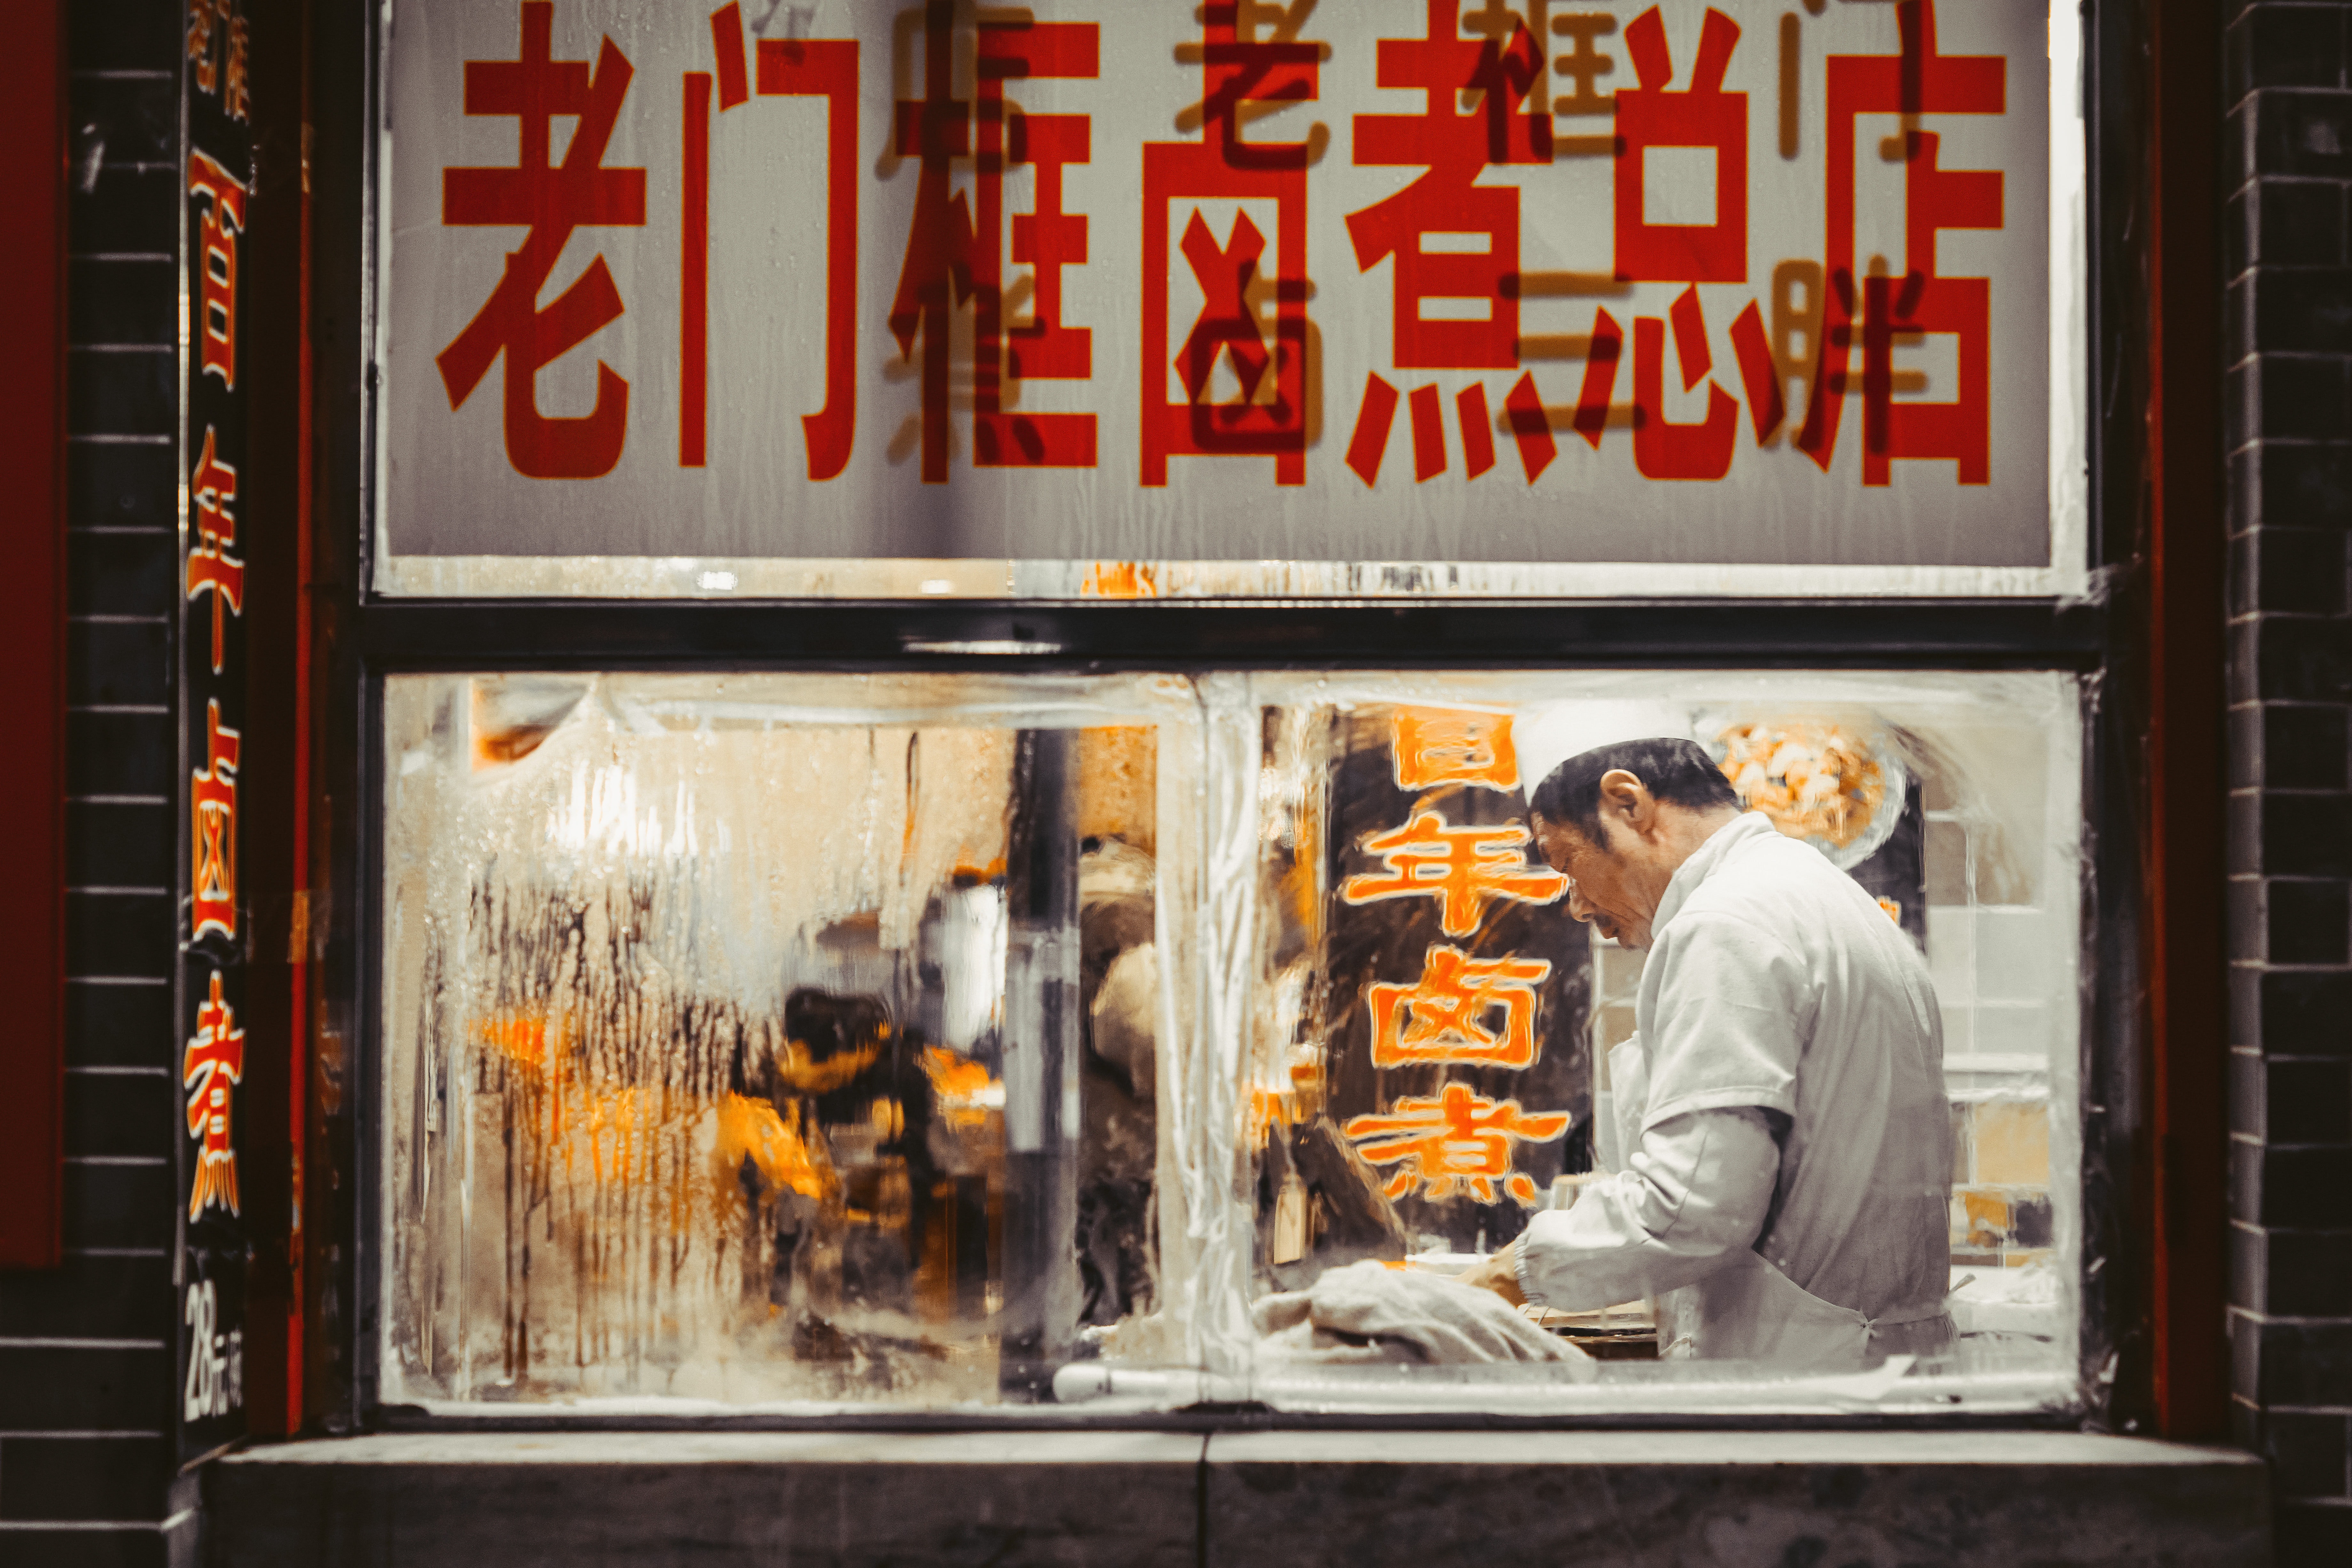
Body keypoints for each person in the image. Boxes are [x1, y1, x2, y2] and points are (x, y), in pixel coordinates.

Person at [1459, 707, 1954, 1370]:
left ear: (1626, 802)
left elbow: (1690, 1208)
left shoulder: (1725, 921)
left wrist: (1507, 1273)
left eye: (1565, 861)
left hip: (1801, 1380)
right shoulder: (1821, 895)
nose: (1574, 903)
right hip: (1874, 1364)